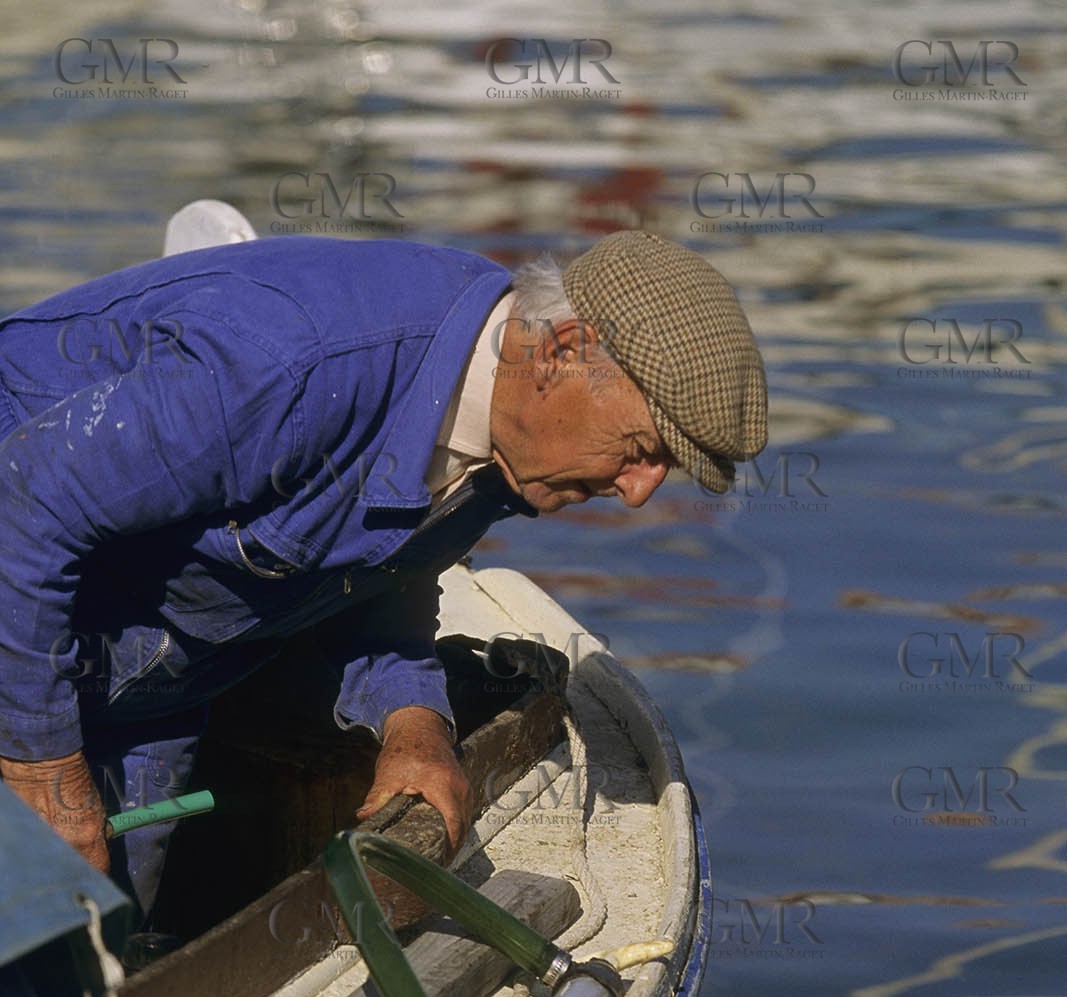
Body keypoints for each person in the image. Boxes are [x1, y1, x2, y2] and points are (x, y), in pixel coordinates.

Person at [0, 219, 766, 921]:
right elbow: (21, 504)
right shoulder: (291, 366)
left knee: (85, 971)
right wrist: (46, 778)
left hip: (145, 693)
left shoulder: (499, 421)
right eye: (640, 450)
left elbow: (376, 568)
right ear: (562, 350)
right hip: (25, 648)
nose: (637, 493)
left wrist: (414, 723)